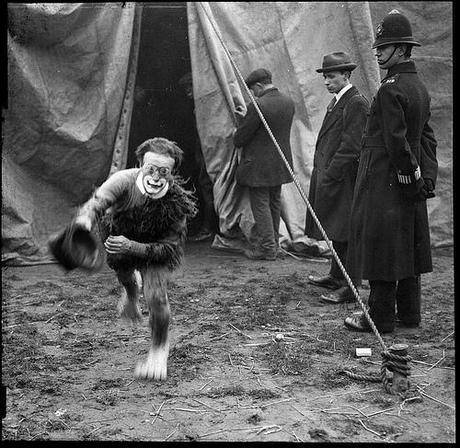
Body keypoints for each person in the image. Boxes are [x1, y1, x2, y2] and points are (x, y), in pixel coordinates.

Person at [343, 10, 438, 333]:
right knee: (408, 246)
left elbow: (397, 142)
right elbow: (427, 138)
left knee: (382, 248)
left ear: (401, 49)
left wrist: (406, 175)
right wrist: (424, 178)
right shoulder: (419, 87)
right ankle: (410, 315)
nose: (378, 52)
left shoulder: (389, 89)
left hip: (385, 179)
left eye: (383, 47)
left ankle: (380, 318)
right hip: (408, 182)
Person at [75, 137, 197, 379]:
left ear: (172, 173)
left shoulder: (176, 203)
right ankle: (131, 294)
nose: (156, 177)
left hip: (154, 248)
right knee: (124, 274)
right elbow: (98, 201)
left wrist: (132, 246)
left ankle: (159, 351)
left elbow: (169, 250)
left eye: (164, 172)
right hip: (119, 240)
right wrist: (84, 220)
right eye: (150, 169)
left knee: (156, 297)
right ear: (140, 164)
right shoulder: (124, 181)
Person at [305, 52, 369, 304]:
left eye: (331, 76)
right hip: (333, 177)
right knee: (336, 229)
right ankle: (336, 275)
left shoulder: (355, 103)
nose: (326, 81)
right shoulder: (338, 100)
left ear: (346, 75)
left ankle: (351, 287)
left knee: (347, 232)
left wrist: (331, 173)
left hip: (344, 179)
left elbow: (352, 146)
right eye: (325, 77)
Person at [233, 68, 295, 260]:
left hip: (259, 166)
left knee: (261, 205)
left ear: (259, 86)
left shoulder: (257, 106)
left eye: (253, 90)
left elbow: (240, 139)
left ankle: (267, 248)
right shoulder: (288, 102)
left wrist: (243, 121)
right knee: (274, 203)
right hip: (280, 163)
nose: (253, 94)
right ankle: (274, 243)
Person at [178, 72, 218, 242]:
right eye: (186, 88)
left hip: (209, 154)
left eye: (190, 87)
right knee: (205, 187)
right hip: (202, 153)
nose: (188, 91)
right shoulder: (199, 106)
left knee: (208, 188)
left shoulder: (205, 106)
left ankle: (209, 227)